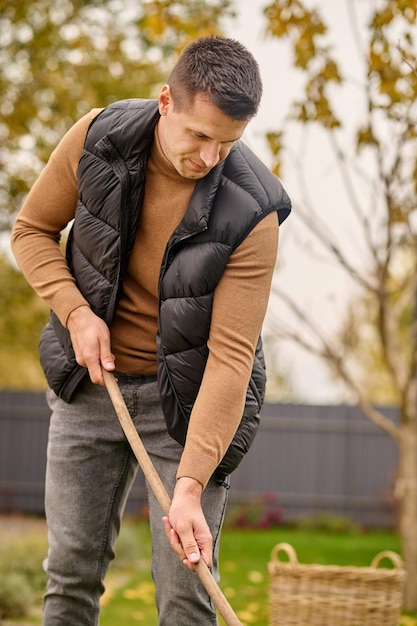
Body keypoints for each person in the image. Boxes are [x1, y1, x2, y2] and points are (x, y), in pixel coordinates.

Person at [11, 35, 291, 626]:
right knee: (70, 577)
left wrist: (189, 484)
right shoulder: (97, 138)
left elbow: (231, 359)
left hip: (188, 407)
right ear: (166, 101)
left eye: (228, 143)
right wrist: (75, 312)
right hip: (93, 387)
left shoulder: (254, 212)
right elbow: (31, 230)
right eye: (198, 135)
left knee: (186, 595)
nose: (209, 157)